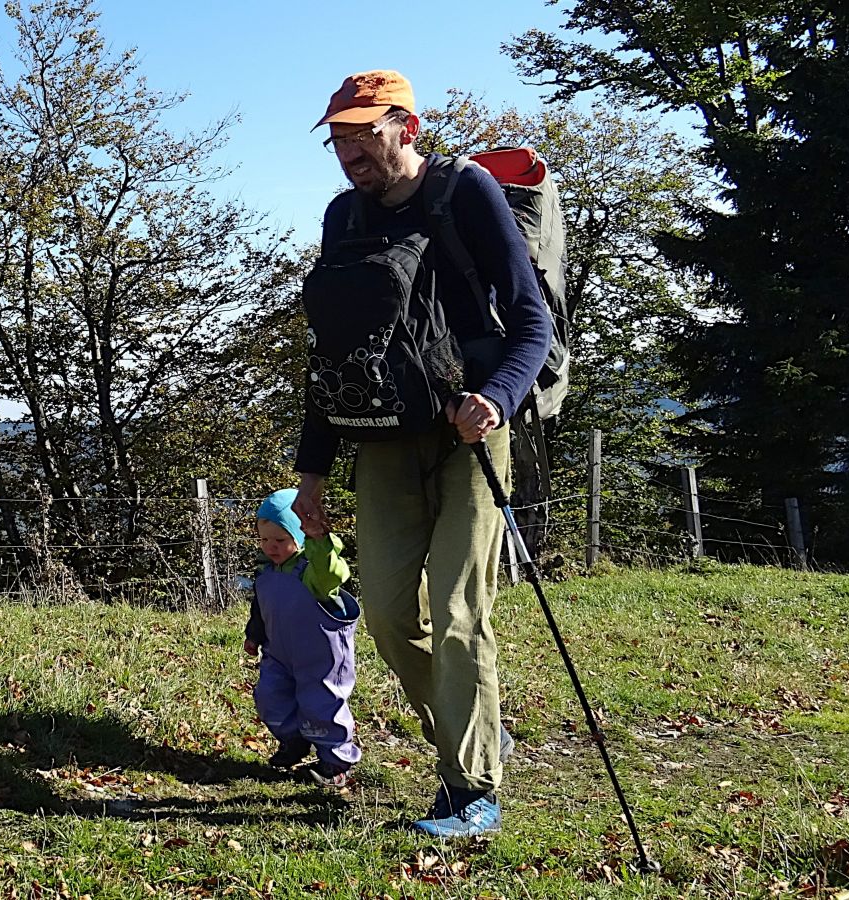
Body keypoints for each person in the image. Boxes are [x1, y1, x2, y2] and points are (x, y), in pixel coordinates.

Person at [292, 70, 551, 837]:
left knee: (461, 609)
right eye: (339, 136)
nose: (349, 150)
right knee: (386, 616)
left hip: (470, 433)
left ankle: (471, 789)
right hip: (380, 439)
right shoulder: (344, 218)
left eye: (363, 132)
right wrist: (311, 471)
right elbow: (334, 351)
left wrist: (496, 398)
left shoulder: (464, 193)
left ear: (406, 125)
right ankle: (477, 728)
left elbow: (532, 319)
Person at [243, 488, 362, 788]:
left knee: (323, 705)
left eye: (280, 540)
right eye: (264, 539)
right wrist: (253, 636)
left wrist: (319, 542)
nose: (271, 547)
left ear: (298, 537)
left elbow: (331, 573)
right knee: (270, 697)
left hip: (321, 656)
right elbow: (261, 606)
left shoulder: (311, 571)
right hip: (279, 653)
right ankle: (294, 740)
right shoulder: (266, 571)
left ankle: (337, 762)